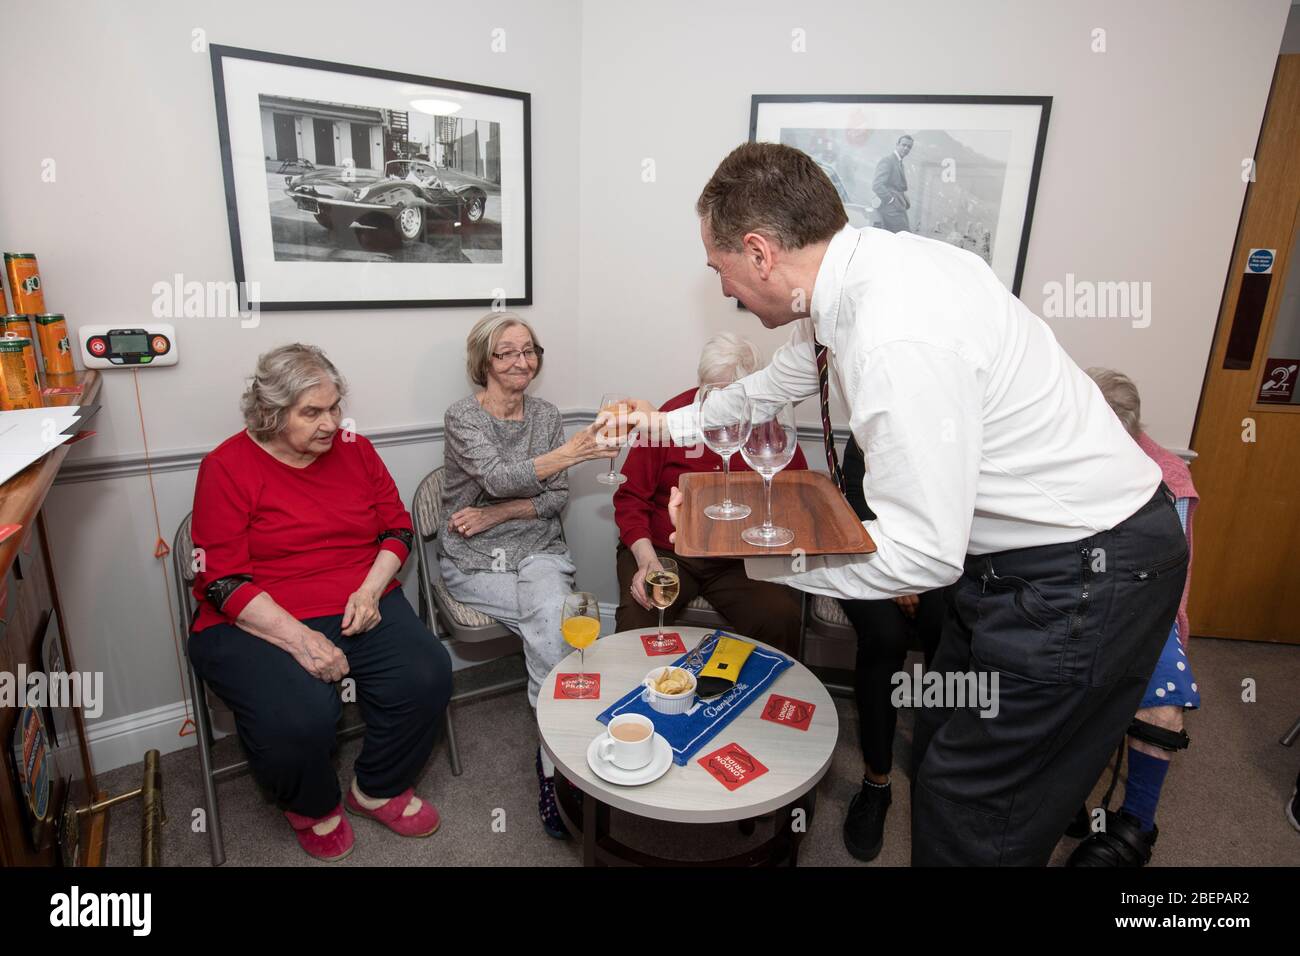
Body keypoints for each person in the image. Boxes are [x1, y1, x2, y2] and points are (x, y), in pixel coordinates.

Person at [639, 141, 1187, 866]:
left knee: (971, 809)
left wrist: (748, 552)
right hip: (1016, 567)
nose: (726, 291)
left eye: (722, 270)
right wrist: (666, 424)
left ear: (759, 251)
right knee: (941, 742)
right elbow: (771, 385)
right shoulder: (862, 276)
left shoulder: (894, 334)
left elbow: (922, 553)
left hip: (1084, 573)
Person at [189, 344, 452, 862]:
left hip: (358, 595)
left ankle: (376, 787)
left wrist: (371, 589)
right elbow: (219, 581)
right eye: (312, 412)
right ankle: (311, 805)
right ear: (270, 412)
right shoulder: (226, 466)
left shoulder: (355, 447)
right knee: (300, 716)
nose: (331, 422)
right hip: (256, 614)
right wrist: (299, 637)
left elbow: (397, 527)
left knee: (428, 674)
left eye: (334, 407)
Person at [439, 311, 615, 839]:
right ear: (484, 363)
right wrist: (567, 454)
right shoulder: (462, 417)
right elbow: (496, 476)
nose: (522, 361)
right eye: (507, 352)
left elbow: (555, 496)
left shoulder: (545, 413)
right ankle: (560, 763)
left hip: (536, 548)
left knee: (549, 617)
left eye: (529, 350)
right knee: (557, 626)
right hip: (475, 556)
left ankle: (552, 762)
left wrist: (497, 512)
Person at [1066, 368, 1200, 867]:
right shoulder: (1064, 456)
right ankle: (1062, 792)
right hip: (1076, 596)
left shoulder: (1170, 479)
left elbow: (1177, 589)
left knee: (1163, 705)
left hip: (1149, 610)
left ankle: (1136, 825)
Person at [613, 332, 807, 656]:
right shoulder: (672, 417)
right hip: (667, 552)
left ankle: (766, 700)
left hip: (740, 561)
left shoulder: (767, 422)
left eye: (726, 394)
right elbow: (631, 497)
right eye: (707, 391)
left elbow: (795, 495)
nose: (714, 403)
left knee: (780, 617)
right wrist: (647, 561)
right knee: (638, 618)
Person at [835, 435, 944, 862]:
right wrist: (896, 577)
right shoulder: (866, 431)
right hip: (865, 554)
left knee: (946, 623)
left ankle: (935, 766)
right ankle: (876, 782)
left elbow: (950, 513)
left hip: (931, 558)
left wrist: (915, 576)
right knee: (885, 636)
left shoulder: (949, 428)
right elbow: (857, 513)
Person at [872, 135, 913, 233]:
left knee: (898, 238)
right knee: (904, 236)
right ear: (897, 145)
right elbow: (877, 185)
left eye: (909, 147)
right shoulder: (888, 161)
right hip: (891, 209)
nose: (906, 148)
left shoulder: (899, 162)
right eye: (903, 145)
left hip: (898, 207)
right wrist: (891, 200)